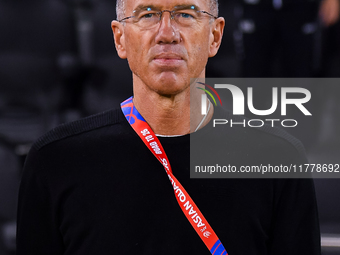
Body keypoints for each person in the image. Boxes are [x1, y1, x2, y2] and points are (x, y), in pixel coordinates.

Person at [16, 0, 321, 254]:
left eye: (186, 14)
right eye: (147, 14)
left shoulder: (278, 160)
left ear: (215, 36)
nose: (167, 33)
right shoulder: (55, 161)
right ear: (120, 39)